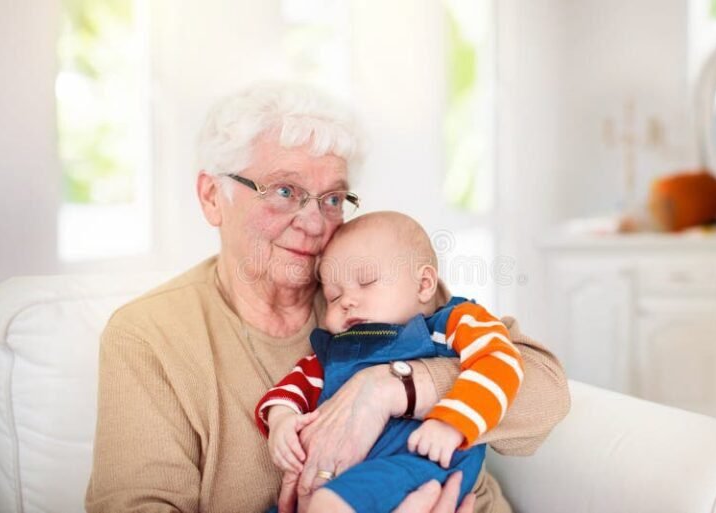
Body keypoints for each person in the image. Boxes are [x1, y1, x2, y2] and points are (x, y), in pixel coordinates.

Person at [85, 82, 571, 513]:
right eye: (284, 190)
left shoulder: (377, 288)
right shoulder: (149, 336)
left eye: (333, 198)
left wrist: (390, 388)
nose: (315, 223)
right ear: (213, 196)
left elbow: (545, 395)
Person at [256, 211, 524, 513]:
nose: (346, 301)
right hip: (343, 476)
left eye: (367, 282)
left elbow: (500, 361)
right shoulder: (337, 350)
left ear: (424, 284)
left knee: (334, 502)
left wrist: (453, 423)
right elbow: (295, 385)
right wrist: (281, 421)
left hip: (423, 459)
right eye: (333, 296)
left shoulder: (455, 323)